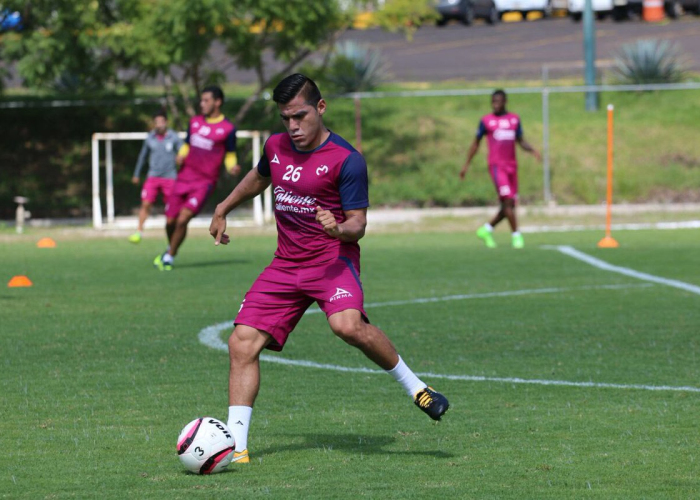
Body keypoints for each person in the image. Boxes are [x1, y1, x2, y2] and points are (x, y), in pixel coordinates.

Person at [208, 74, 450, 464]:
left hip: (332, 260)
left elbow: (359, 225)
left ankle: (417, 388)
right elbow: (258, 177)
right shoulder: (275, 146)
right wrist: (222, 208)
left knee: (347, 326)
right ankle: (236, 446)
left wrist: (339, 229)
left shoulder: (347, 160)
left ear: (320, 108)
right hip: (285, 265)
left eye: (300, 116)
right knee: (242, 343)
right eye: (286, 118)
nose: (293, 126)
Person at [153, 85, 241, 271]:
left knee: (183, 219)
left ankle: (169, 256)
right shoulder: (194, 122)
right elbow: (187, 145)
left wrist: (232, 167)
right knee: (170, 221)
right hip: (184, 177)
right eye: (201, 100)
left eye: (206, 100)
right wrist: (181, 155)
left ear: (218, 102)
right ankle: (171, 248)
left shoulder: (228, 128)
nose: (202, 104)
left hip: (204, 182)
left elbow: (230, 154)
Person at [459, 89, 541, 249]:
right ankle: (516, 236)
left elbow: (520, 140)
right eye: (493, 102)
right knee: (508, 201)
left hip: (512, 166)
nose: (495, 105)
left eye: (498, 101)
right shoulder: (486, 121)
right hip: (497, 166)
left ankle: (486, 230)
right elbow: (476, 143)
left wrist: (532, 150)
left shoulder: (514, 120)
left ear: (505, 102)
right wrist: (466, 164)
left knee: (509, 204)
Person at [129, 111, 182, 244]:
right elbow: (142, 157)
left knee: (171, 208)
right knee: (145, 203)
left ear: (166, 122)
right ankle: (139, 232)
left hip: (170, 178)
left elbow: (184, 151)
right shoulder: (150, 138)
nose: (159, 125)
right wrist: (136, 174)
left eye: (161, 122)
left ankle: (173, 233)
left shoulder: (174, 137)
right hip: (153, 176)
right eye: (156, 122)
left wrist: (181, 157)